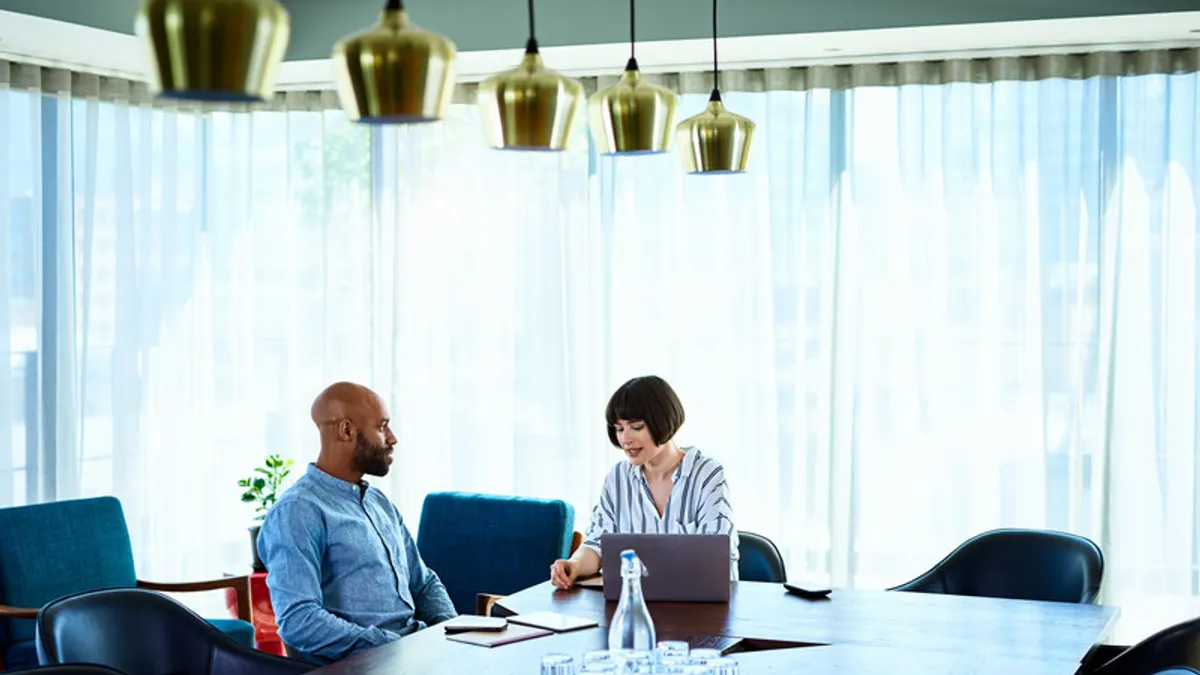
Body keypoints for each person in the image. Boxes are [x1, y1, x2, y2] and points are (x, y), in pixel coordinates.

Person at [257, 382, 457, 664]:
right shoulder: (297, 511)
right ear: (347, 431)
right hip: (367, 665)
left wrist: (453, 635)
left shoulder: (379, 503)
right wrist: (394, 647)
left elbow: (423, 584)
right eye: (382, 427)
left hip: (413, 655)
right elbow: (299, 620)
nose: (393, 438)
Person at [549, 375, 739, 589]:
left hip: (700, 609)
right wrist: (573, 565)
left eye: (636, 427)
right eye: (619, 429)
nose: (625, 439)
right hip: (636, 605)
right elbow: (596, 544)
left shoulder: (706, 474)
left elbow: (718, 557)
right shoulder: (618, 478)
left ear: (664, 422)